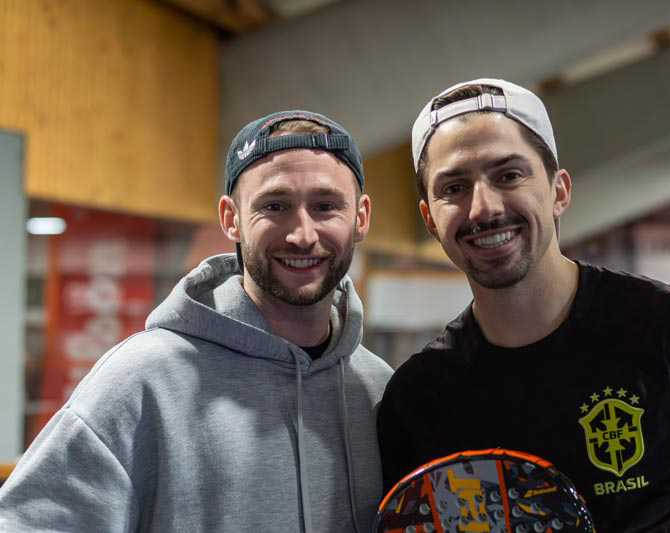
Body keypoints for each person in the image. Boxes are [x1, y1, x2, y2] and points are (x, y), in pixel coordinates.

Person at [376, 79, 670, 532]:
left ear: (559, 192)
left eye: (509, 175)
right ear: (430, 220)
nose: (484, 207)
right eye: (454, 187)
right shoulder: (417, 398)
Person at [0, 110, 393, 532]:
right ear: (231, 218)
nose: (302, 234)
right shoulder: (141, 381)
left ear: (361, 218)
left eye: (325, 206)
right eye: (275, 206)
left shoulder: (377, 390)